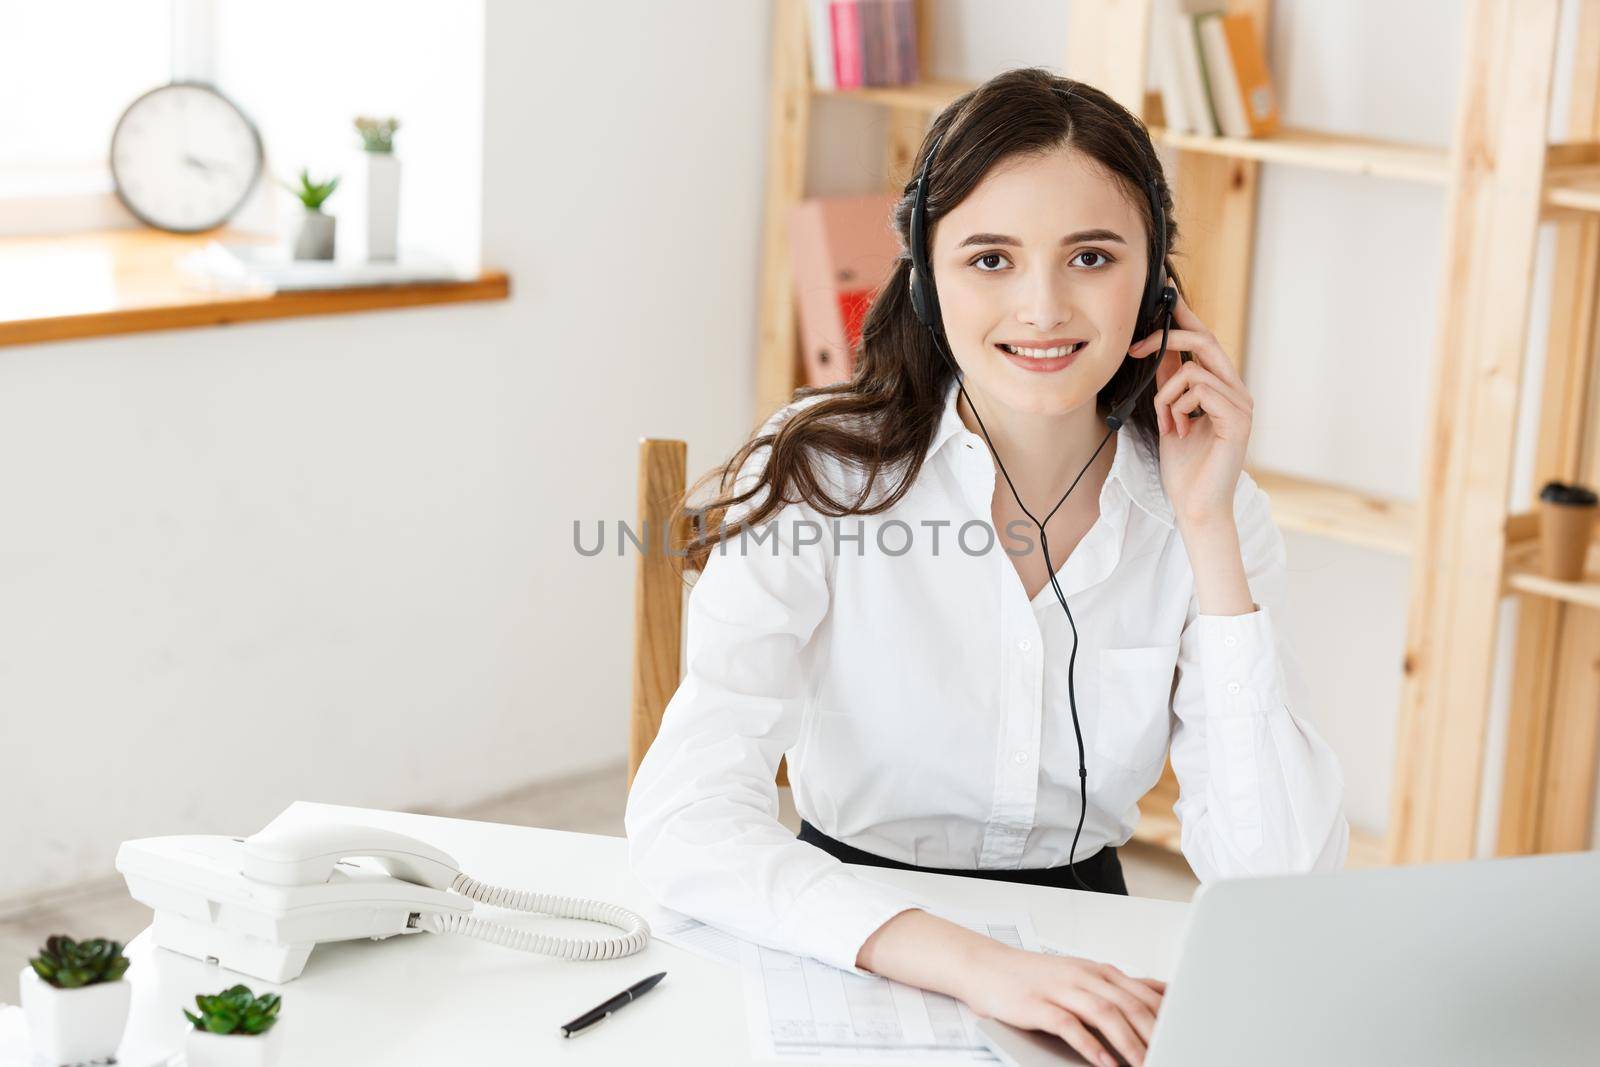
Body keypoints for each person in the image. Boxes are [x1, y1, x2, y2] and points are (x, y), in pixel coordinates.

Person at [625, 67, 1348, 1067]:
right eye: (990, 257)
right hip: (853, 936)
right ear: (926, 276)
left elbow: (1280, 886)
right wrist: (972, 963)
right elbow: (681, 824)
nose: (1042, 307)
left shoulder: (1206, 501)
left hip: (1089, 955)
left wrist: (1206, 527)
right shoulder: (823, 471)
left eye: (1090, 256)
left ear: (1156, 282)